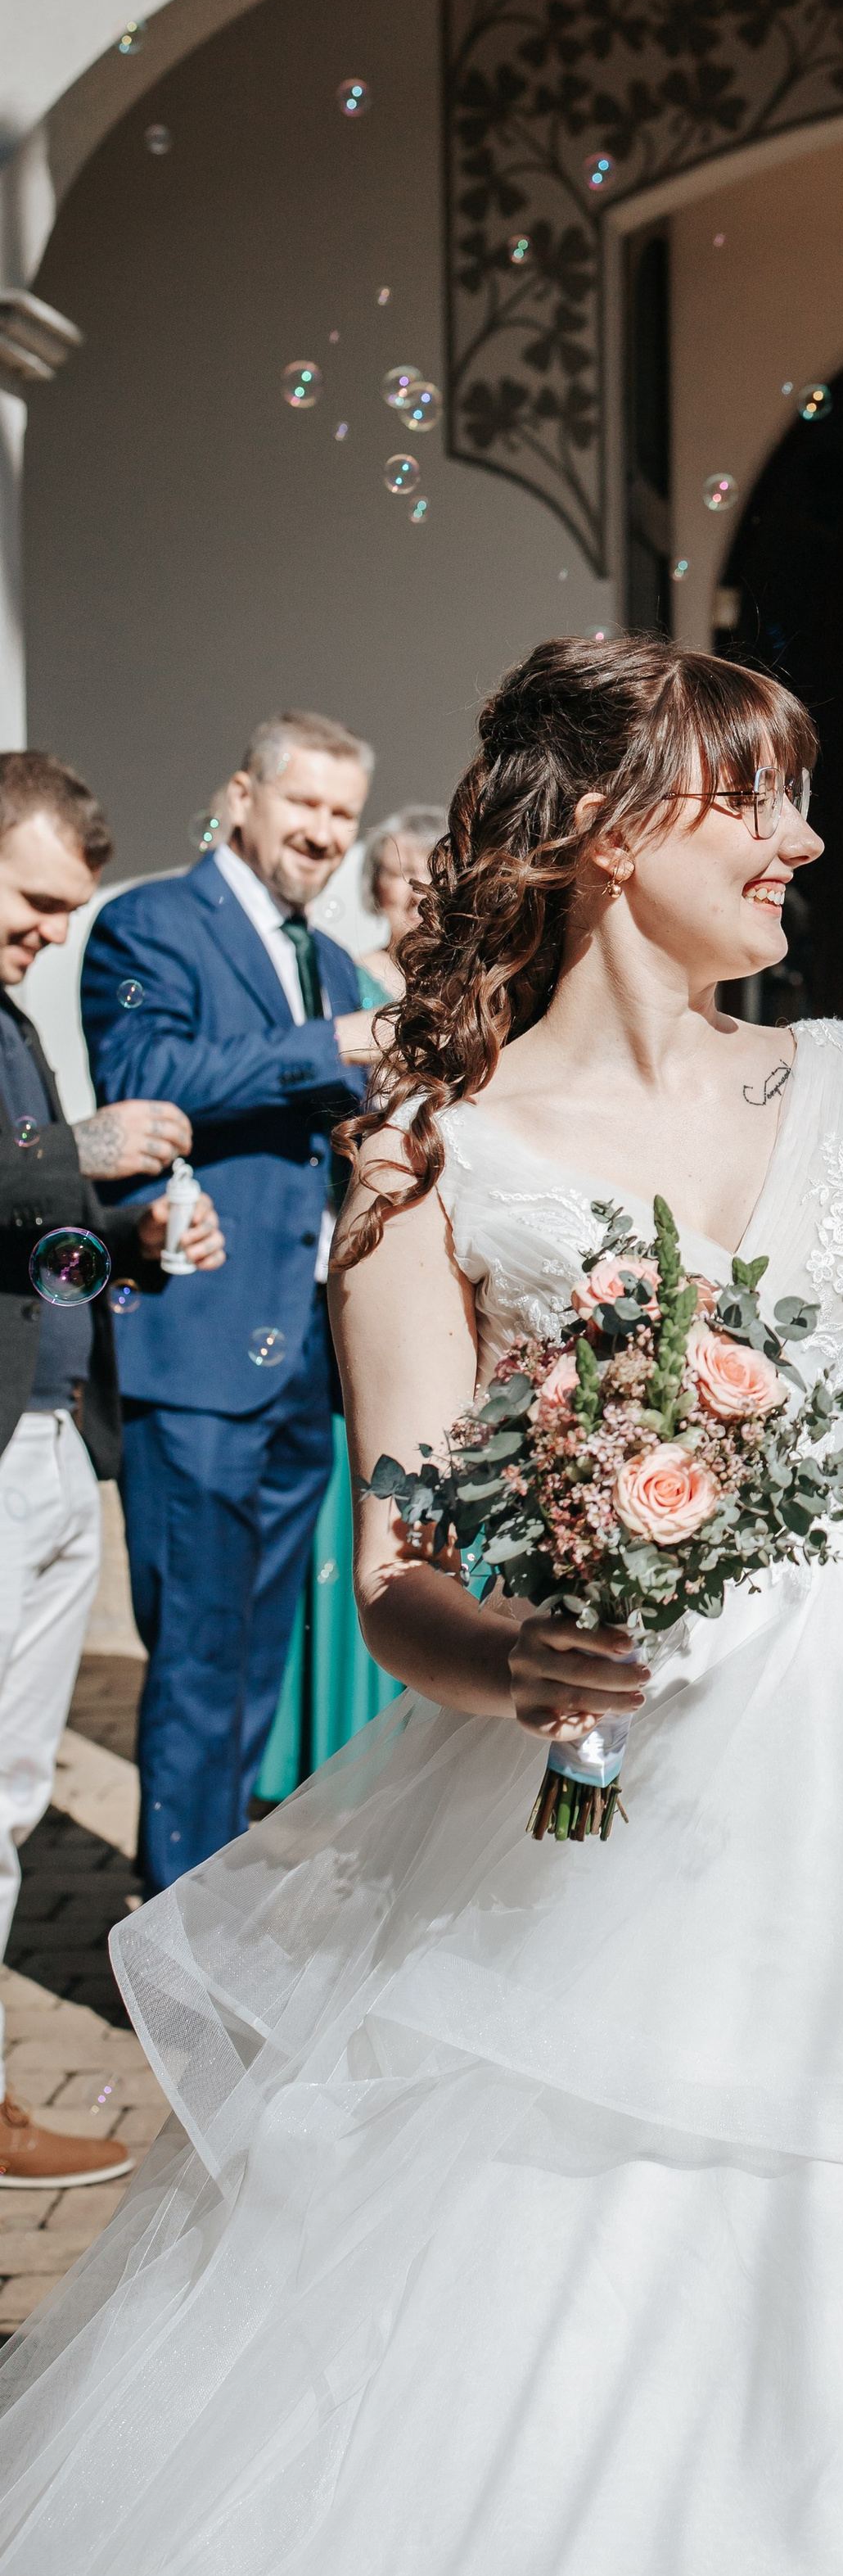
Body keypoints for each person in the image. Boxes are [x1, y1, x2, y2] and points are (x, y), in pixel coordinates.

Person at [0, 637, 843, 2576]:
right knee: (588, 2212)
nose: (803, 839)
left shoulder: (842, 1081)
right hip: (603, 1783)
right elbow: (400, 1568)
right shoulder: (431, 1144)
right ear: (600, 829)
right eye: (753, 797)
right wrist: (511, 1659)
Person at [79, 712, 380, 1888]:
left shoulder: (336, 962)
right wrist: (331, 1043)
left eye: (343, 815)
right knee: (198, 1654)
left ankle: (207, 1898)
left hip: (306, 1353)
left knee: (256, 1654)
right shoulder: (150, 923)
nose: (324, 833)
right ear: (241, 798)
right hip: (199, 1346)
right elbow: (143, 1079)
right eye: (305, 804)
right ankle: (167, 1913)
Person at [0, 753, 223, 2189]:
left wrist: (126, 1241)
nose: (47, 934)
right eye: (30, 902)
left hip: (45, 1439)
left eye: (62, 913)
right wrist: (82, 1149)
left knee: (13, 1785)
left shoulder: (9, 1011)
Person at [254, 806, 442, 1798]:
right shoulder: (348, 987)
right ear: (375, 889)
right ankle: (318, 1745)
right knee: (348, 1503)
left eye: (429, 880)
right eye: (397, 880)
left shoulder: (464, 991)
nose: (414, 898)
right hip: (349, 1260)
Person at [353, 802, 444, 1005]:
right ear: (375, 884)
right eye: (404, 873)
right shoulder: (350, 978)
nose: (420, 894)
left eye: (436, 873)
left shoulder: (479, 978)